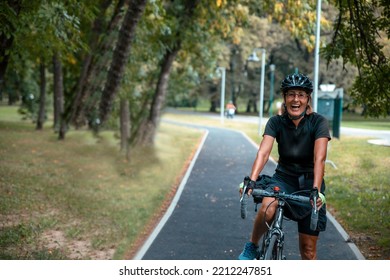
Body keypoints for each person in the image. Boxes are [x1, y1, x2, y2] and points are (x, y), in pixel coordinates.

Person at [238, 73, 331, 260]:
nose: (296, 99)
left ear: (307, 99)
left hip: (309, 184)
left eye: (301, 95)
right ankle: (253, 246)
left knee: (308, 251)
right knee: (267, 208)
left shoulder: (318, 122)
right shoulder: (276, 122)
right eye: (291, 94)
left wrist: (316, 190)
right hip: (284, 178)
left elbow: (319, 158)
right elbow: (263, 153)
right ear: (285, 98)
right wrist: (252, 180)